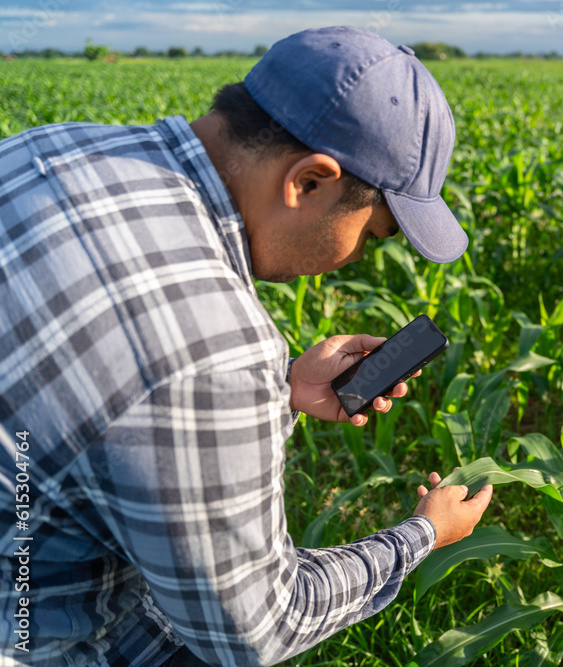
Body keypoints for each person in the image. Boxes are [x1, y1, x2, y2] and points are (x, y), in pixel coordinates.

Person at [0, 26, 493, 666]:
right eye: (371, 234)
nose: (355, 259)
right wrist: (423, 534)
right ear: (309, 181)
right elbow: (257, 628)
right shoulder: (215, 356)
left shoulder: (45, 147)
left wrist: (277, 391)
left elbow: (105, 383)